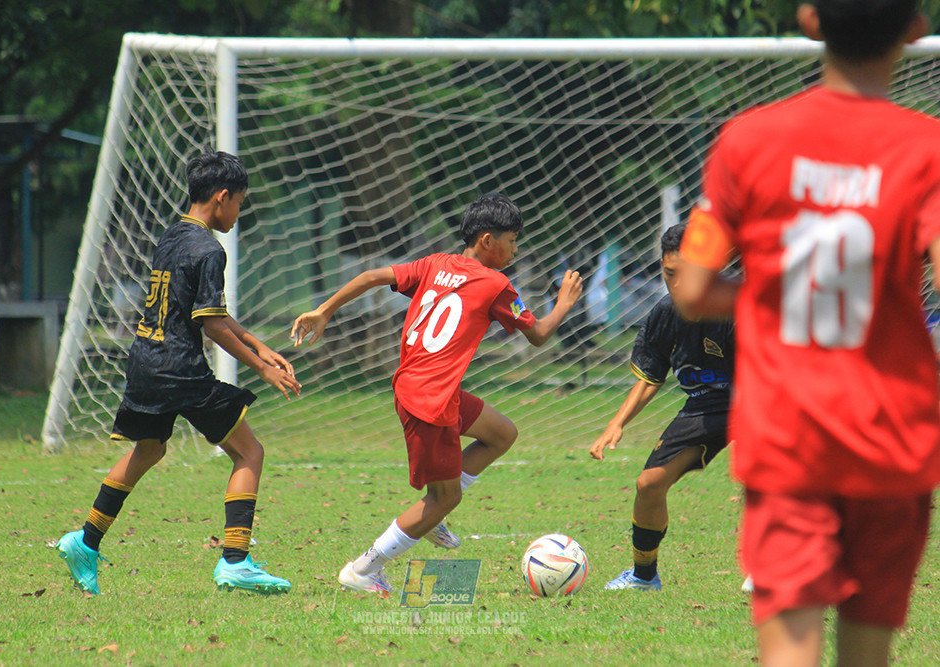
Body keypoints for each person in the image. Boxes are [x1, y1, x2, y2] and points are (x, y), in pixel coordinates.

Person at [671, 2, 940, 665]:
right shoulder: (927, 148)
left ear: (809, 19)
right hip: (893, 439)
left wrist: (776, 288)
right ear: (915, 29)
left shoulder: (748, 139)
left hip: (789, 437)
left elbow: (695, 288)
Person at [291, 192, 583, 594]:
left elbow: (372, 277)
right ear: (486, 241)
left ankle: (435, 512)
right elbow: (539, 335)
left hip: (421, 387)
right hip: (431, 401)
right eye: (512, 240)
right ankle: (363, 570)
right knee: (444, 498)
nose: (516, 249)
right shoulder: (496, 284)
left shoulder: (433, 264)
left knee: (502, 434)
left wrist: (324, 310)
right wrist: (564, 303)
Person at [56, 151, 302, 596]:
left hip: (145, 361)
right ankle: (235, 561)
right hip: (180, 371)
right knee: (250, 453)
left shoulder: (173, 235)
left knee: (149, 449)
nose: (239, 212)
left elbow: (212, 314)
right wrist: (263, 368)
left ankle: (85, 542)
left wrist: (260, 345)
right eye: (240, 203)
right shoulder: (211, 249)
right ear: (222, 197)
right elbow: (211, 327)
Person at [590, 222, 734, 592]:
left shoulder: (735, 308)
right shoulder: (665, 314)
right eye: (670, 274)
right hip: (706, 407)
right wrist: (616, 423)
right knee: (648, 484)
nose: (678, 285)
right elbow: (651, 375)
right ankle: (643, 576)